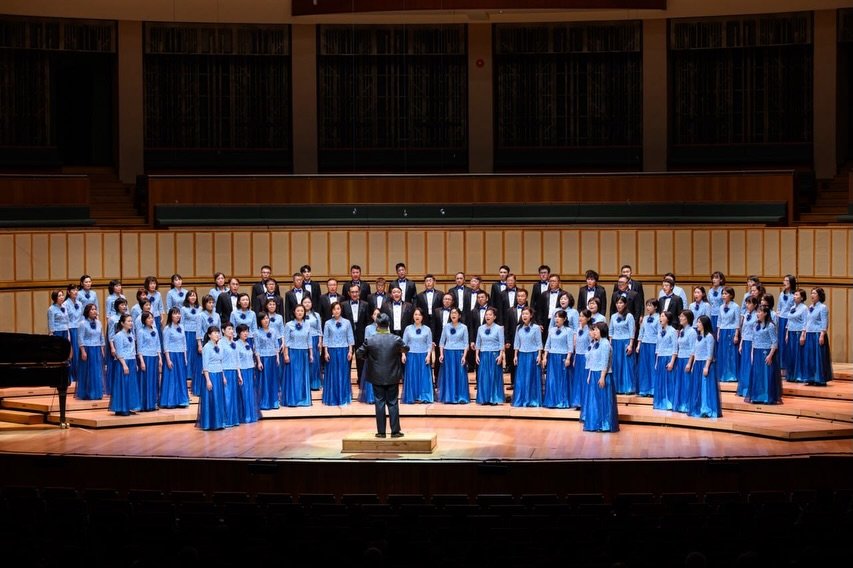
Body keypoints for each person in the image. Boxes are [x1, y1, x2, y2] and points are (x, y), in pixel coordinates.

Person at [355, 313, 409, 438]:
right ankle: (395, 431)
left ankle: (381, 432)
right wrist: (397, 351)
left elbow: (358, 353)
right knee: (393, 403)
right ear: (388, 325)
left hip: (376, 376)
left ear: (377, 326)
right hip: (392, 376)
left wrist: (368, 357)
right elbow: (406, 348)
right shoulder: (396, 339)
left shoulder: (370, 340)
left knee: (379, 403)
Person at [582, 322, 618, 432]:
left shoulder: (605, 344)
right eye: (594, 330)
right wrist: (589, 375)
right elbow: (591, 360)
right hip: (594, 374)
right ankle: (596, 423)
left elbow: (604, 362)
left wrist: (602, 377)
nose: (594, 332)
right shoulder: (595, 343)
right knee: (595, 401)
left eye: (596, 330)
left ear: (602, 331)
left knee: (603, 401)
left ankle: (605, 424)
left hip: (603, 375)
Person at [746, 305, 781, 404]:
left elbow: (774, 342)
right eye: (757, 312)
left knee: (766, 375)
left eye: (760, 312)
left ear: (765, 313)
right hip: (756, 352)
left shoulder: (770, 326)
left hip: (766, 352)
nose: (757, 314)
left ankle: (766, 397)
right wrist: (752, 354)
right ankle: (757, 396)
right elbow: (753, 340)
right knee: (757, 375)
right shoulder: (755, 325)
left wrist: (770, 355)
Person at [322, 302, 355, 407]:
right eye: (334, 309)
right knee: (332, 374)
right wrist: (326, 352)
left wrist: (350, 351)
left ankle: (344, 397)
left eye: (338, 309)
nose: (336, 311)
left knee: (343, 374)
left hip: (344, 351)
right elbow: (325, 338)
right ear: (331, 311)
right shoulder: (327, 323)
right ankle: (332, 398)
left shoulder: (347, 322)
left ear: (341, 310)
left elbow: (350, 338)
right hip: (331, 351)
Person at [798, 287, 832, 386]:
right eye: (811, 293)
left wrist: (822, 335)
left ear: (819, 296)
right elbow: (806, 322)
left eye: (814, 293)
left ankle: (819, 379)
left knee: (818, 358)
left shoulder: (823, 307)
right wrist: (803, 334)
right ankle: (811, 378)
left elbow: (824, 323)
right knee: (810, 357)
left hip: (817, 334)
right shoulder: (810, 307)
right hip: (809, 334)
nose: (812, 295)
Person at [688, 315, 720, 418]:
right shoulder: (698, 337)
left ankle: (706, 409)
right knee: (697, 387)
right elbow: (695, 353)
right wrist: (693, 365)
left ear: (704, 324)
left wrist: (706, 367)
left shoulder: (709, 336)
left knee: (705, 387)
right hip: (697, 364)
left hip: (705, 364)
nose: (697, 324)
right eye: (697, 322)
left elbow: (709, 354)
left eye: (699, 322)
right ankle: (698, 407)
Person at [109, 314, 141, 416]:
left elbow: (133, 349)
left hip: (131, 361)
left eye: (131, 321)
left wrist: (135, 362)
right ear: (122, 323)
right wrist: (124, 365)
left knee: (131, 385)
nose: (131, 323)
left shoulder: (131, 334)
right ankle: (121, 407)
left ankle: (129, 406)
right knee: (123, 384)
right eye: (128, 321)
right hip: (123, 362)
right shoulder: (118, 336)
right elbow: (119, 352)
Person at [282, 304, 313, 407]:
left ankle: (303, 399)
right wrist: (286, 355)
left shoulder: (308, 324)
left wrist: (311, 354)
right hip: (293, 352)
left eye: (302, 311)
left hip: (304, 353)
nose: (300, 312)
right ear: (294, 312)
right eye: (298, 311)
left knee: (303, 377)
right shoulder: (288, 325)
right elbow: (286, 341)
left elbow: (309, 340)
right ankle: (293, 399)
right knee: (294, 377)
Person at [512, 306, 543, 408]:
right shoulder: (518, 328)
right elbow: (516, 343)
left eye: (526, 314)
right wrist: (515, 356)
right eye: (523, 314)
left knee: (532, 378)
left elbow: (539, 343)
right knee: (521, 378)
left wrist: (539, 355)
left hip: (533, 355)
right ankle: (521, 399)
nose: (524, 316)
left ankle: (532, 400)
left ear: (531, 315)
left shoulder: (536, 328)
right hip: (521, 355)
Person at [402, 307, 435, 404]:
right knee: (412, 376)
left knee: (423, 377)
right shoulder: (408, 328)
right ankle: (412, 396)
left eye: (419, 315)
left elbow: (429, 344)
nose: (417, 316)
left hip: (423, 355)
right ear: (413, 316)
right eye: (415, 314)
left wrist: (428, 355)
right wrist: (403, 355)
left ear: (422, 317)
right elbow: (404, 343)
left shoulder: (427, 329)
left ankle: (424, 396)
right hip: (411, 356)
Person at [437, 307, 470, 404]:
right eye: (452, 313)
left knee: (459, 375)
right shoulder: (446, 326)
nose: (453, 314)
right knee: (449, 375)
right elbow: (442, 342)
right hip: (448, 353)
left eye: (455, 313)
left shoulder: (464, 327)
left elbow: (466, 343)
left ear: (459, 315)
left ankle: (461, 397)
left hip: (459, 353)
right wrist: (441, 354)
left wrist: (464, 356)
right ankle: (449, 397)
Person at [542, 309, 573, 409]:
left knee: (562, 380)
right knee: (551, 379)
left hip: (563, 357)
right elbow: (547, 344)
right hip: (552, 357)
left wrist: (568, 358)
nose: (556, 319)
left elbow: (570, 346)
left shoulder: (568, 330)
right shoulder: (551, 330)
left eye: (559, 317)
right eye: (555, 317)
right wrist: (545, 357)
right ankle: (551, 401)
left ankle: (562, 401)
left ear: (564, 319)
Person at [474, 307, 505, 405]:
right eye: (486, 314)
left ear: (494, 317)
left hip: (494, 355)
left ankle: (494, 398)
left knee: (494, 377)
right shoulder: (480, 328)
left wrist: (501, 355)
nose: (488, 316)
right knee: (484, 377)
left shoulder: (499, 328)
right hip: (483, 355)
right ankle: (484, 398)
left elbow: (501, 343)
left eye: (490, 314)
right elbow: (478, 343)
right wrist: (477, 355)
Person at [198, 326, 227, 430]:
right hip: (210, 375)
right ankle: (209, 423)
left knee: (218, 399)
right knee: (211, 399)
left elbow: (221, 362)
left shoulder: (219, 346)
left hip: (218, 374)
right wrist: (208, 380)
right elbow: (205, 365)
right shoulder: (206, 347)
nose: (217, 334)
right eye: (214, 333)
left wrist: (223, 376)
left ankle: (219, 422)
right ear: (209, 335)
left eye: (218, 332)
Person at [160, 307, 190, 409]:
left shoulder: (181, 326)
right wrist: (168, 359)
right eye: (175, 314)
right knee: (172, 378)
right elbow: (166, 345)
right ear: (170, 316)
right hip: (172, 355)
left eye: (178, 314)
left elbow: (184, 343)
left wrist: (185, 357)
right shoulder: (167, 328)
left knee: (181, 378)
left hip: (181, 355)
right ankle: (170, 401)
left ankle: (182, 400)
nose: (178, 315)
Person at [77, 303, 105, 401]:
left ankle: (97, 392)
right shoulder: (82, 323)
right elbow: (80, 338)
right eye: (92, 309)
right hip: (88, 349)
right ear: (87, 312)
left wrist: (102, 349)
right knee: (88, 372)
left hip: (97, 349)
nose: (94, 311)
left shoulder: (99, 323)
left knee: (97, 371)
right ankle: (88, 393)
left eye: (95, 309)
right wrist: (83, 351)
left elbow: (101, 337)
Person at [609, 296, 637, 395]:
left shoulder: (629, 316)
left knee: (626, 366)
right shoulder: (613, 316)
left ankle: (627, 387)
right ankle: (616, 387)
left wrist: (630, 345)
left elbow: (632, 331)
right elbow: (611, 331)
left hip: (625, 342)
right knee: (616, 365)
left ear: (625, 304)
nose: (618, 305)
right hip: (615, 343)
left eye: (621, 303)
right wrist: (610, 343)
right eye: (617, 303)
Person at [255, 312, 282, 410]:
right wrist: (259, 361)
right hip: (263, 358)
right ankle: (264, 402)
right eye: (263, 319)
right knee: (264, 381)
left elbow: (276, 344)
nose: (266, 320)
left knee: (273, 380)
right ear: (260, 321)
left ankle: (274, 402)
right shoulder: (257, 332)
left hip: (273, 358)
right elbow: (256, 348)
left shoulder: (274, 331)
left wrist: (278, 357)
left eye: (267, 318)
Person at [136, 311, 162, 411]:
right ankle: (144, 404)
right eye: (148, 318)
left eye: (152, 318)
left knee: (154, 380)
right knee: (145, 380)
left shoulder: (155, 330)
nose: (151, 320)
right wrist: (142, 361)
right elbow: (140, 347)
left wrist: (160, 358)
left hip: (154, 357)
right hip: (146, 358)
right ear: (144, 320)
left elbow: (158, 344)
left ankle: (153, 403)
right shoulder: (141, 331)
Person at [672, 310, 697, 413]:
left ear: (688, 318)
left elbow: (693, 349)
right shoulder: (681, 331)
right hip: (680, 359)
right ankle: (680, 404)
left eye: (682, 316)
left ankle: (687, 405)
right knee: (680, 383)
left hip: (687, 359)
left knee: (687, 383)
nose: (680, 318)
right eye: (680, 316)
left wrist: (689, 363)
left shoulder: (692, 332)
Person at [235, 323, 260, 423]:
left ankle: (251, 415)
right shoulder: (236, 344)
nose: (246, 333)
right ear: (238, 333)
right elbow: (236, 360)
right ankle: (245, 416)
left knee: (250, 393)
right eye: (243, 332)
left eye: (247, 331)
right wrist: (239, 373)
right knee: (244, 393)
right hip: (243, 371)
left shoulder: (248, 344)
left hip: (250, 370)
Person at [653, 311, 677, 411]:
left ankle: (669, 403)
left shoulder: (673, 331)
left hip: (668, 358)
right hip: (661, 358)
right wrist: (656, 361)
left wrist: (672, 362)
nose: (660, 318)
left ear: (667, 318)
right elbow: (658, 347)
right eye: (660, 316)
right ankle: (660, 402)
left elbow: (675, 348)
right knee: (660, 381)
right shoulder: (659, 331)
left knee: (669, 381)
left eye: (662, 316)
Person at [635, 299, 659, 397]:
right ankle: (644, 389)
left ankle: (653, 389)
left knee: (652, 367)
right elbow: (641, 332)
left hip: (654, 344)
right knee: (644, 367)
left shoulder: (659, 317)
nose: (648, 307)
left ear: (655, 307)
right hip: (645, 344)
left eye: (650, 305)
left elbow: (659, 333)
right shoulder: (644, 318)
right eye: (647, 305)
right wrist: (638, 345)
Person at [716, 286, 740, 383]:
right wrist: (718, 333)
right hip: (722, 331)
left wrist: (736, 335)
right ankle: (723, 374)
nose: (723, 295)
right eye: (723, 293)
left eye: (725, 294)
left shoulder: (736, 306)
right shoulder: (721, 307)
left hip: (731, 331)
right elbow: (719, 321)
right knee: (722, 353)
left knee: (731, 354)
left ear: (731, 295)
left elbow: (737, 322)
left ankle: (731, 375)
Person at [736, 296, 759, 397]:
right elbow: (744, 329)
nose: (747, 305)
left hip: (752, 342)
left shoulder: (757, 315)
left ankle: (751, 389)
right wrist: (741, 343)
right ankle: (744, 388)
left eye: (749, 303)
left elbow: (756, 331)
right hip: (745, 341)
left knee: (751, 365)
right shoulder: (745, 314)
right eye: (746, 303)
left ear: (755, 305)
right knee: (744, 365)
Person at [784, 289, 808, 382]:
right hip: (791, 333)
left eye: (797, 295)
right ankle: (791, 375)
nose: (794, 296)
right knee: (791, 354)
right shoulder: (792, 307)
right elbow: (789, 321)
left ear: (802, 297)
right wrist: (787, 333)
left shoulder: (804, 308)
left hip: (798, 333)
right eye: (794, 295)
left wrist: (803, 334)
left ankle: (799, 375)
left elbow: (805, 322)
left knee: (798, 354)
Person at [220, 322, 241, 427]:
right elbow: (219, 360)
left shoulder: (235, 343)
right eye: (229, 329)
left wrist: (239, 374)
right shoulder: (220, 343)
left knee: (233, 396)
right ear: (223, 331)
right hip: (225, 371)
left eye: (232, 329)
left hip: (233, 372)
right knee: (226, 396)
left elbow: (237, 360)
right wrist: (223, 375)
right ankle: (225, 420)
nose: (231, 331)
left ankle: (233, 419)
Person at [775, 274, 797, 369]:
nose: (785, 283)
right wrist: (777, 315)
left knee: (787, 341)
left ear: (791, 283)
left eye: (787, 281)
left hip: (789, 319)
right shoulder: (781, 293)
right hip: (781, 319)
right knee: (780, 342)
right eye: (784, 280)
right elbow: (779, 307)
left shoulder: (794, 295)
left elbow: (795, 308)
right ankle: (780, 364)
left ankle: (788, 364)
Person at [302, 296, 323, 391]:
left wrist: (320, 341)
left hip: (315, 340)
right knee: (305, 362)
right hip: (303, 340)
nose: (307, 304)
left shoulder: (316, 315)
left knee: (314, 362)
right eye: (305, 302)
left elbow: (320, 330)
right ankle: (305, 383)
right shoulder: (299, 314)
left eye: (309, 302)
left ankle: (315, 383)